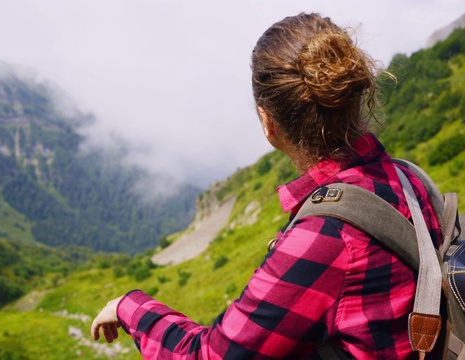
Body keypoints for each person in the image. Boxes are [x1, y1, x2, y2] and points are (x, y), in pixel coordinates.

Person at [91, 12, 442, 359]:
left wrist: (129, 306)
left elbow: (211, 355)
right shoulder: (411, 180)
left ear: (267, 121)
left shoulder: (326, 235)